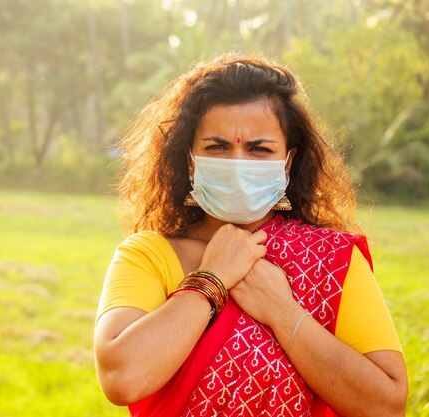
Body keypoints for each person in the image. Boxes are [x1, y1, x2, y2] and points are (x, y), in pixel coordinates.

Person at [94, 54, 407, 417]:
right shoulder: (148, 255)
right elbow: (122, 378)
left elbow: (386, 407)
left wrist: (282, 312)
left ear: (287, 163)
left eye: (258, 149)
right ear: (191, 160)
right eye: (218, 147)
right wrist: (210, 280)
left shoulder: (331, 258)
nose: (238, 164)